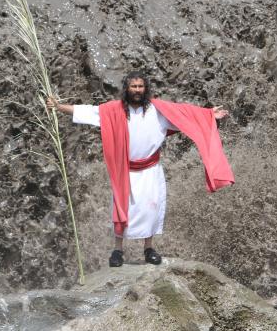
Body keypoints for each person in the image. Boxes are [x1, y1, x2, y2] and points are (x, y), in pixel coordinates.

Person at [47, 71, 233, 267]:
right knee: (121, 210)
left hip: (150, 170)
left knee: (151, 210)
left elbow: (188, 115)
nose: (137, 90)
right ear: (127, 88)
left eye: (140, 87)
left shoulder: (159, 110)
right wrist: (58, 107)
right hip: (124, 171)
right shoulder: (113, 111)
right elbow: (87, 111)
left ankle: (149, 248)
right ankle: (118, 250)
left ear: (146, 89)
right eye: (133, 86)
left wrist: (210, 115)